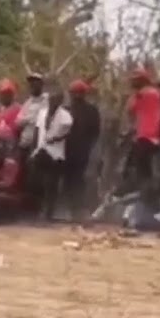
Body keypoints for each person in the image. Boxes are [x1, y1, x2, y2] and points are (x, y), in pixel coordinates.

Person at [31, 88, 74, 221]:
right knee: (38, 181)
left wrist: (56, 138)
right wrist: (33, 149)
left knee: (51, 183)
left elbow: (67, 133)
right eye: (51, 98)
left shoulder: (65, 116)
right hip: (41, 149)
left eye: (56, 99)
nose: (53, 101)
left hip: (55, 153)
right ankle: (39, 209)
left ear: (60, 101)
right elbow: (37, 130)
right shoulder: (42, 113)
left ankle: (49, 212)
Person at [65, 80, 100, 222]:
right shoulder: (66, 110)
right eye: (75, 92)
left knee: (79, 180)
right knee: (71, 180)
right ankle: (72, 210)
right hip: (69, 150)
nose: (77, 95)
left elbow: (95, 132)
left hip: (82, 150)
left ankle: (80, 210)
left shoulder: (91, 110)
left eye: (80, 92)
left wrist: (91, 148)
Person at [125, 68, 160, 190]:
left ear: (141, 80)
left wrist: (133, 95)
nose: (132, 83)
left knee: (142, 171)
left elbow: (129, 109)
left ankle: (145, 193)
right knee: (151, 169)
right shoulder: (156, 92)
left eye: (135, 80)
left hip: (144, 136)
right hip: (157, 136)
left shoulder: (141, 94)